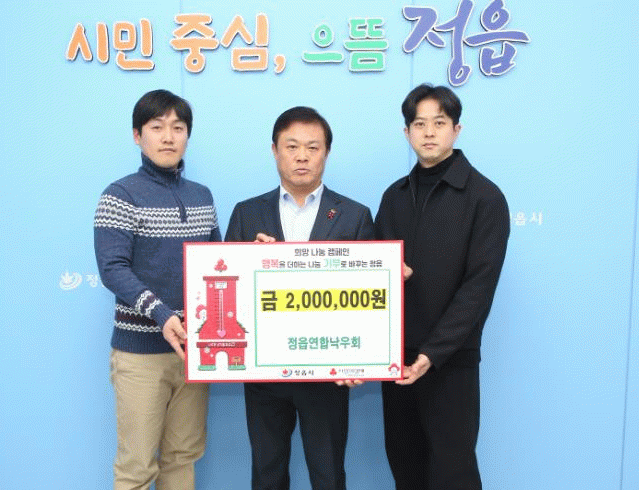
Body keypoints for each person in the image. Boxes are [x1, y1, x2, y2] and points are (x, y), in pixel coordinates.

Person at [225, 106, 374, 490]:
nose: (302, 156)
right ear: (275, 150)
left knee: (329, 476)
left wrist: (362, 356)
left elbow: (369, 302)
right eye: (292, 146)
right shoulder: (246, 214)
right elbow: (228, 291)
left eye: (313, 147)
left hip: (327, 374)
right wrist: (251, 262)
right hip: (263, 373)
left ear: (327, 152)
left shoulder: (355, 216)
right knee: (267, 475)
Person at [375, 83, 510, 490]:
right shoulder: (394, 196)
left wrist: (432, 354)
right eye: (419, 124)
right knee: (405, 468)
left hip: (450, 362)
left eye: (439, 122)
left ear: (456, 129)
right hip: (397, 362)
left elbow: (478, 289)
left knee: (453, 473)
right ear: (407, 132)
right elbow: (367, 274)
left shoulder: (485, 198)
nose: (429, 132)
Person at [94, 89, 221, 490]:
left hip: (193, 353)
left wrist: (254, 258)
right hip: (140, 354)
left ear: (187, 136)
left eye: (178, 128)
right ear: (138, 135)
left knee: (182, 458)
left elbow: (217, 264)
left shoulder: (202, 196)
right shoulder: (120, 195)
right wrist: (163, 315)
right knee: (136, 468)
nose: (168, 137)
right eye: (157, 127)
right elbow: (112, 268)